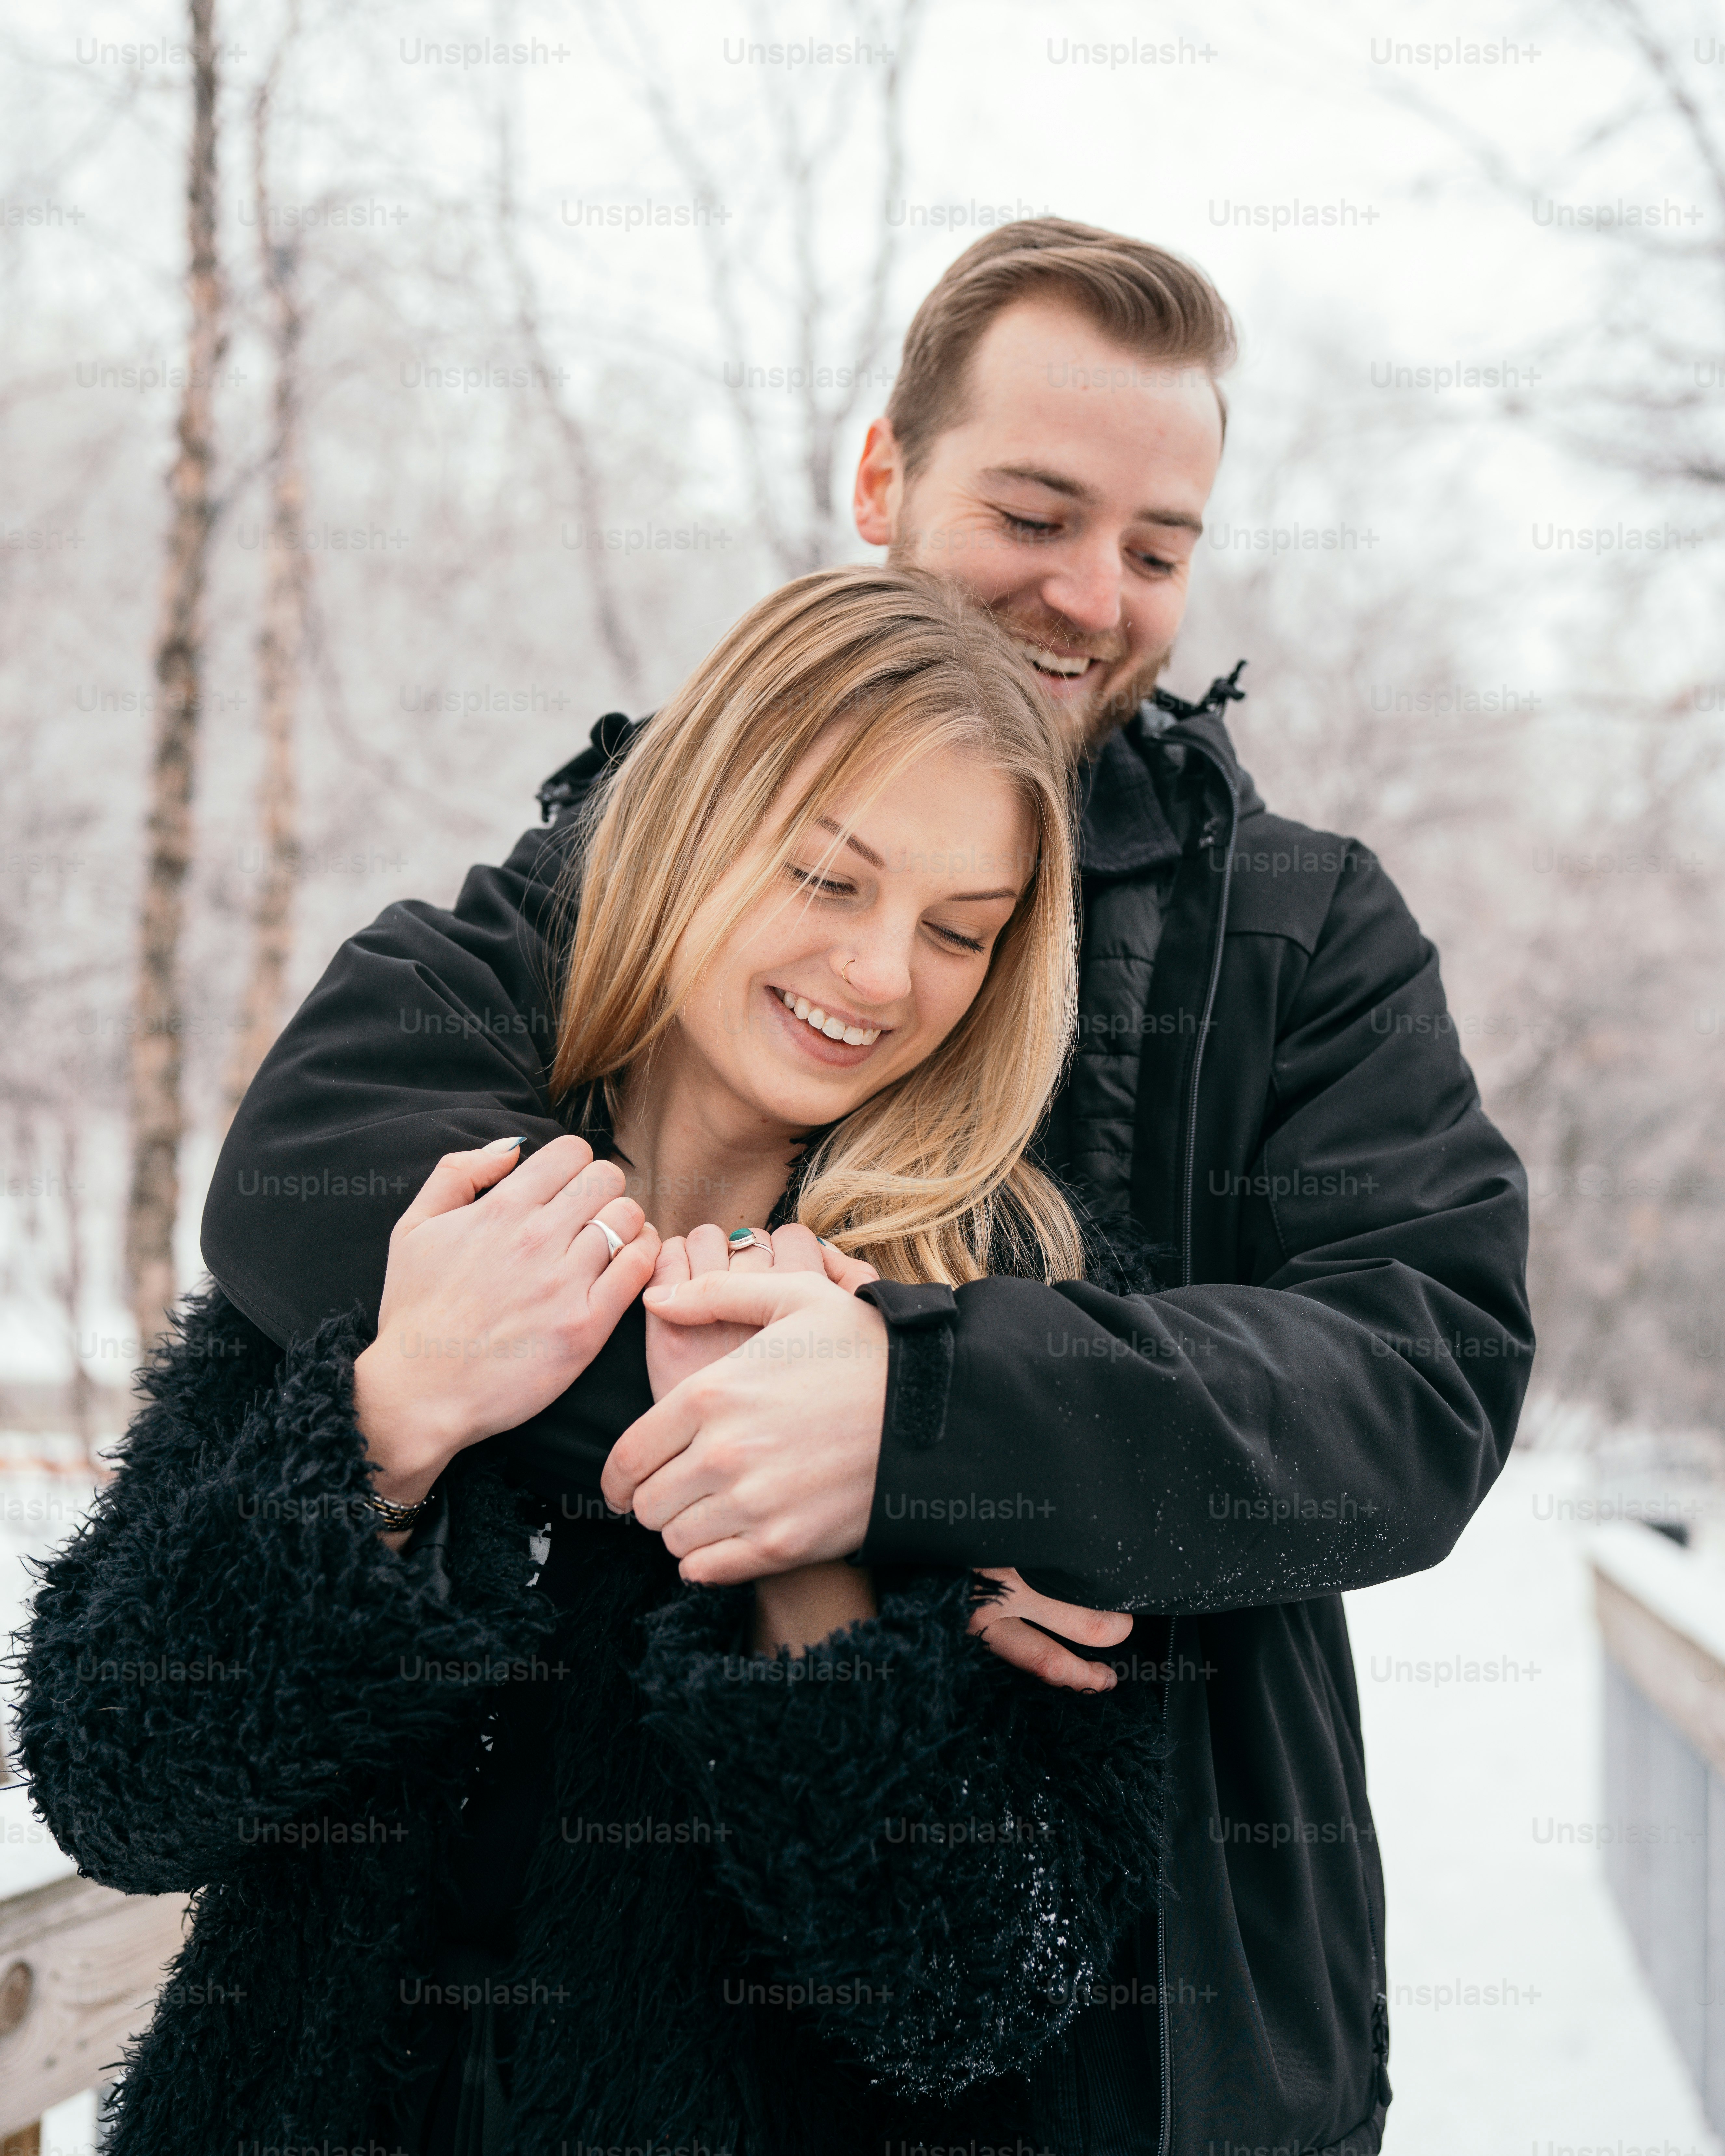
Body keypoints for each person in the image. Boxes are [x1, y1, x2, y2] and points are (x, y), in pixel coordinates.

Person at [80, 220, 1531, 2154]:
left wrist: (915, 1435)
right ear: (885, 481)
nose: (1091, 594)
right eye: (1033, 508)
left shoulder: (1298, 935)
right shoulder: (596, 908)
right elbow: (317, 1168)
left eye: (1160, 549)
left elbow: (1411, 1375)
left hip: (1161, 2043)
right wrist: (622, 1418)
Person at [19, 568, 1181, 2156]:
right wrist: (399, 1416)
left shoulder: (1008, 1322)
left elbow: (970, 1992)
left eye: (959, 932)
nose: (884, 975)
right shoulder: (420, 1212)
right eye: (832, 880)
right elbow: (120, 1780)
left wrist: (818, 1560)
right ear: (696, 825)